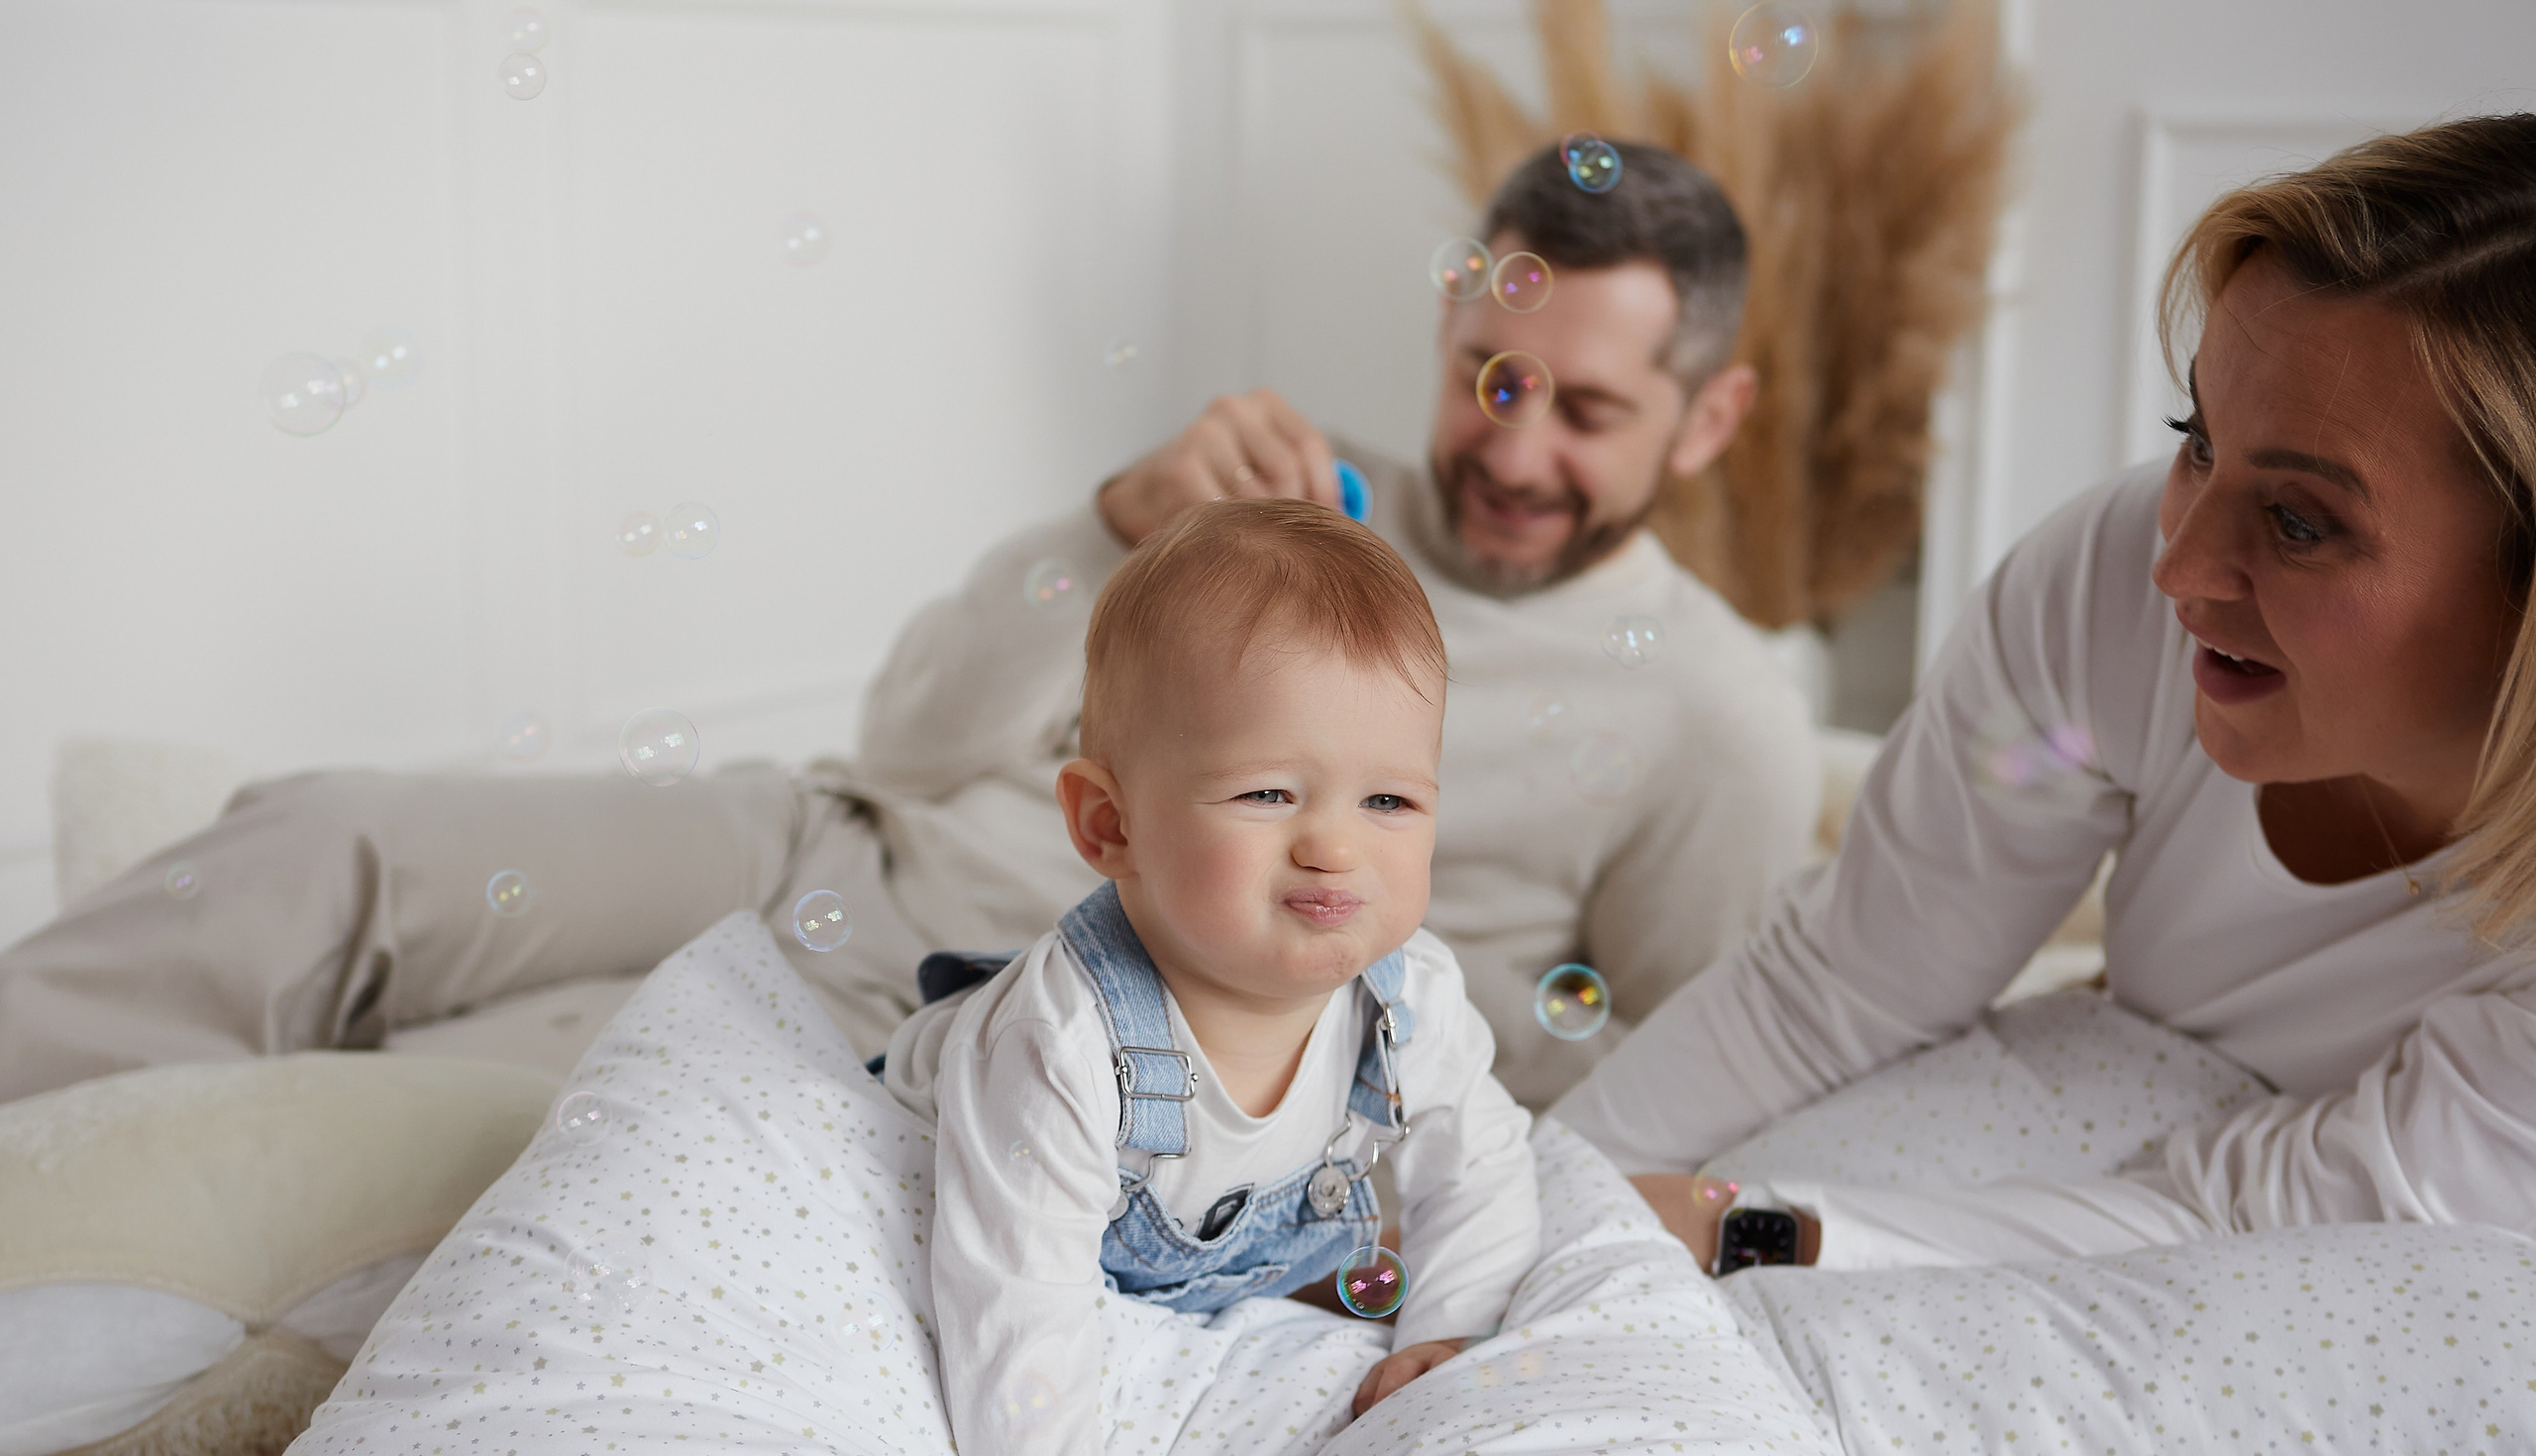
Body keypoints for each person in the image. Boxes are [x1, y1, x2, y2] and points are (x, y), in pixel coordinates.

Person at [0, 140, 1815, 1111]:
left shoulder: (1714, 717)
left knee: (426, 1110)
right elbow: (912, 739)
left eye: (1588, 410)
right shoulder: (1295, 496)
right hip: (830, 835)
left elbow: (1656, 1081)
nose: (1514, 448)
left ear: (1710, 417)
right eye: (1492, 376)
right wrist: (1116, 524)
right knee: (325, 837)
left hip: (988, 1004)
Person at [1558, 115, 2536, 1271]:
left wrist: (1749, 1230)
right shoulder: (2117, 585)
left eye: (2297, 522)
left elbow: (2246, 1227)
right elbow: (1846, 980)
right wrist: (1514, 1210)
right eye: (2196, 439)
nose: (2177, 567)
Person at [890, 498, 1537, 1456]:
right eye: (1267, 793)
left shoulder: (1405, 998)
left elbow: (1483, 1167)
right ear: (1110, 825)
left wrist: (1446, 1332)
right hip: (975, 1204)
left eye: (1388, 802)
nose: (1333, 847)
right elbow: (1016, 1333)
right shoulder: (1062, 1046)